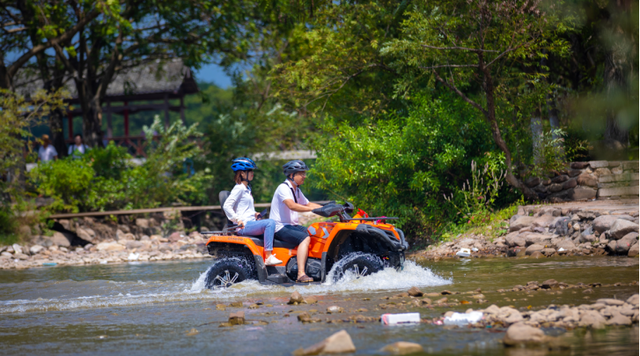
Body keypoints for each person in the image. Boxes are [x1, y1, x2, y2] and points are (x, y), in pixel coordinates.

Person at [223, 157, 282, 266]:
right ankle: (268, 257)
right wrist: (237, 220)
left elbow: (244, 208)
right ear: (242, 173)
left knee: (274, 223)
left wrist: (254, 214)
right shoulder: (239, 188)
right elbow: (227, 206)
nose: (252, 173)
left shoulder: (247, 189)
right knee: (270, 223)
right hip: (244, 226)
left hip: (250, 222)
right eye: (250, 171)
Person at [270, 160, 322, 283]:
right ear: (292, 175)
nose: (304, 176)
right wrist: (311, 210)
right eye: (301, 173)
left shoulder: (296, 190)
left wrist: (327, 209)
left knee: (314, 233)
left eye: (304, 173)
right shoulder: (284, 188)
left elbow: (308, 203)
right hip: (279, 227)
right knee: (304, 238)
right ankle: (301, 274)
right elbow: (292, 205)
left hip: (291, 225)